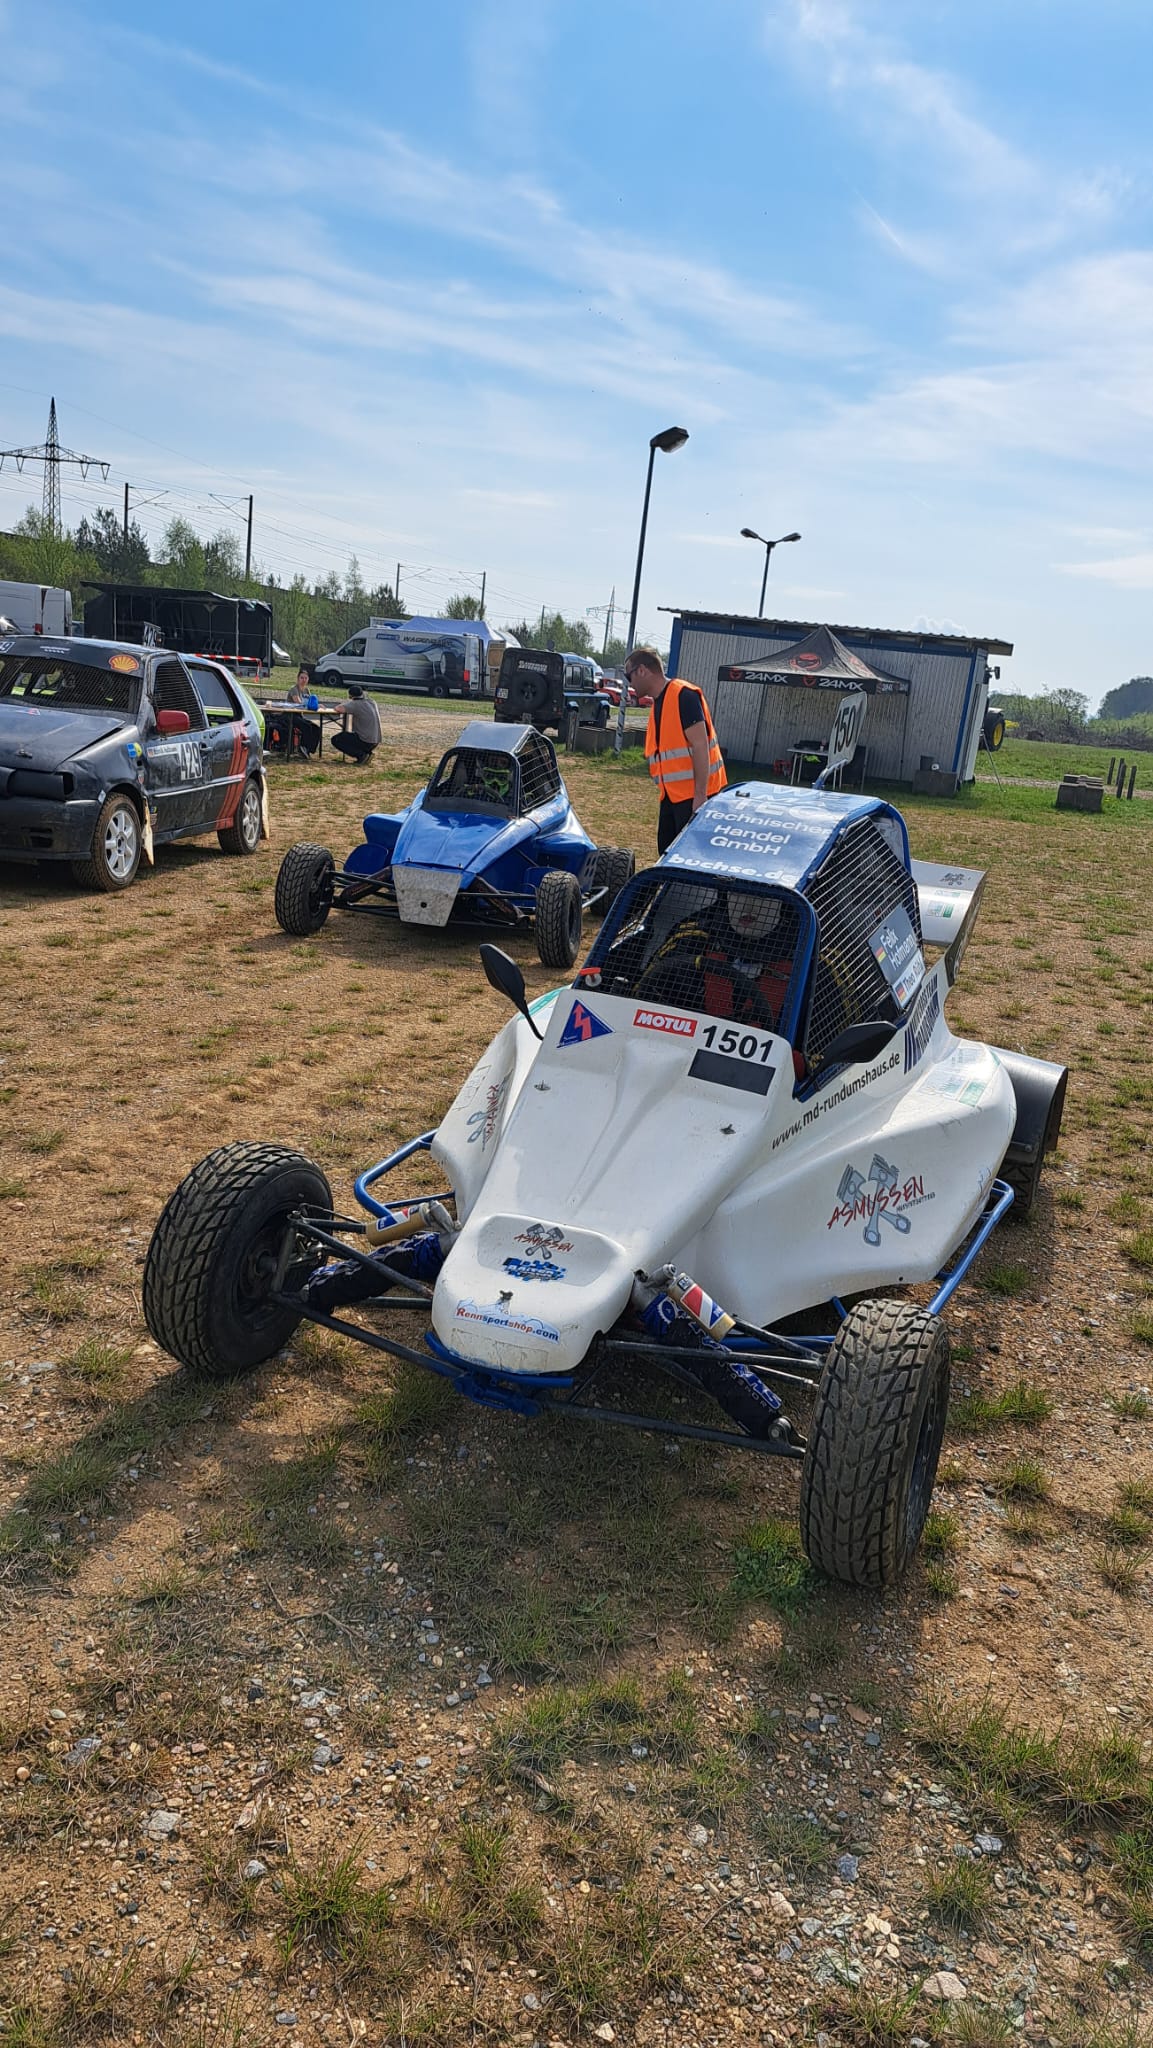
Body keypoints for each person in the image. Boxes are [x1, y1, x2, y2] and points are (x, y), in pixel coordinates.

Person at [634, 888, 796, 1032]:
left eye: (764, 897)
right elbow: (641, 997)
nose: (748, 906)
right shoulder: (690, 938)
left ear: (783, 904)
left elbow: (814, 1049)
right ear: (725, 896)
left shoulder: (804, 960)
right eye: (738, 893)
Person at [624, 646, 727, 853]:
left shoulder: (683, 695)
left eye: (629, 676)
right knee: (667, 852)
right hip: (672, 796)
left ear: (642, 670)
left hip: (694, 798)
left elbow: (700, 746)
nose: (630, 684)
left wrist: (700, 796)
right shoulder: (658, 703)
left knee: (692, 856)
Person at [329, 682, 381, 764]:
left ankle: (361, 755)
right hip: (376, 741)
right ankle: (367, 754)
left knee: (336, 739)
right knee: (350, 736)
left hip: (365, 741)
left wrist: (345, 703)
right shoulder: (372, 702)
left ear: (350, 696)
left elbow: (338, 708)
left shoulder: (355, 704)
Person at [286, 664, 322, 758]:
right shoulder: (294, 689)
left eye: (305, 678)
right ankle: (302, 747)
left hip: (300, 715)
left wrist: (317, 705)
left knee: (316, 728)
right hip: (291, 715)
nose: (304, 680)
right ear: (298, 679)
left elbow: (310, 704)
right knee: (306, 727)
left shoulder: (307, 690)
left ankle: (309, 749)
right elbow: (298, 702)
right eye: (302, 678)